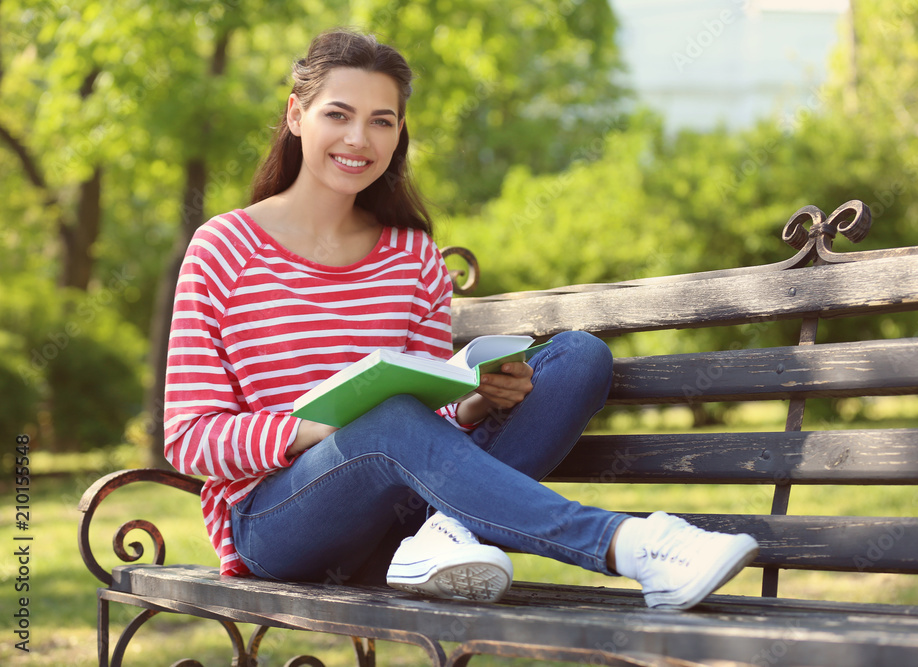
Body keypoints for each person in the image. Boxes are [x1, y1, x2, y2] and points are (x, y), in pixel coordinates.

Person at [163, 28, 758, 611]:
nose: (359, 138)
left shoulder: (410, 254)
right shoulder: (225, 248)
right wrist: (315, 430)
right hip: (277, 522)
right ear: (296, 115)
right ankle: (633, 546)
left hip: (405, 514)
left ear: (398, 135)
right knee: (386, 420)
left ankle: (436, 540)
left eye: (382, 121)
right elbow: (187, 438)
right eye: (338, 115)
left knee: (579, 357)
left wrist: (477, 399)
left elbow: (431, 413)